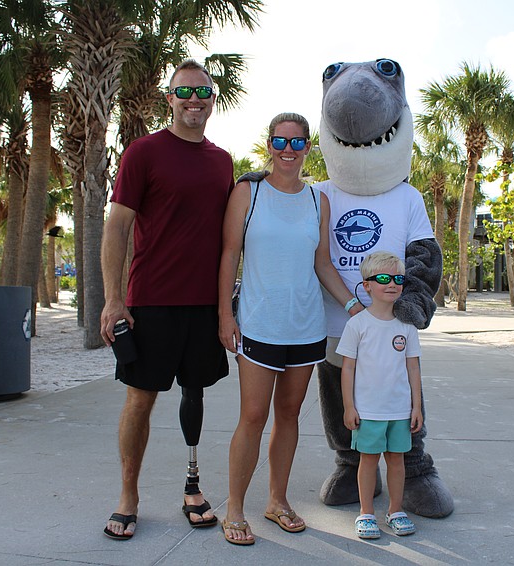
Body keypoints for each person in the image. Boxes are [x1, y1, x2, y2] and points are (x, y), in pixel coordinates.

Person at [100, 59, 233, 540]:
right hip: (150, 301)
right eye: (185, 92)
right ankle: (128, 496)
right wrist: (114, 300)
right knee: (140, 401)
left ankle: (193, 488)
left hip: (202, 305)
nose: (194, 99)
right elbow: (117, 225)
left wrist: (226, 308)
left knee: (195, 392)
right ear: (170, 97)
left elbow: (228, 235)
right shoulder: (143, 152)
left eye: (203, 91)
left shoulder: (222, 161)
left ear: (212, 98)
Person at [217, 112, 362, 545]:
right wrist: (225, 315)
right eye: (280, 142)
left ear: (308, 149)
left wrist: (355, 305)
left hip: (305, 327)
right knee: (254, 416)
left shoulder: (319, 200)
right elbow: (229, 255)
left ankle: (276, 501)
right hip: (259, 325)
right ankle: (235, 509)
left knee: (288, 415)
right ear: (269, 145)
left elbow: (322, 263)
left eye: (297, 143)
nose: (288, 150)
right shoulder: (248, 192)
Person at [337, 251, 423, 539]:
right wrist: (349, 406)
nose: (392, 284)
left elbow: (413, 366)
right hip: (369, 412)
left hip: (399, 411)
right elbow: (347, 368)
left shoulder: (407, 326)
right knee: (369, 461)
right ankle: (366, 513)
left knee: (397, 461)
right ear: (367, 285)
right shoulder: (357, 325)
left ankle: (396, 511)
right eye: (384, 278)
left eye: (398, 278)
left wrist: (417, 407)